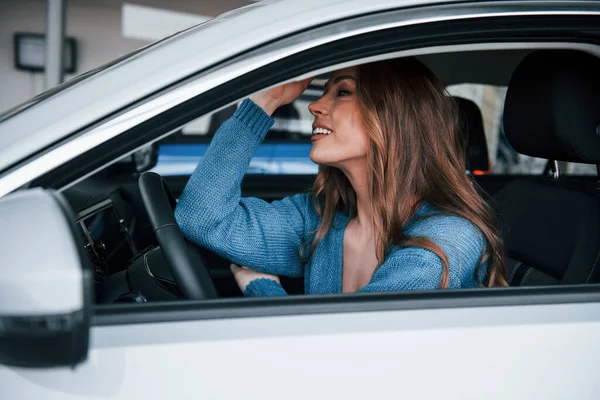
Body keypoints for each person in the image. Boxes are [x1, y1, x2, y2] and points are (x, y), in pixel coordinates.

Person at [174, 57, 506, 297]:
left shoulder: (443, 243)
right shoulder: (322, 219)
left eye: (343, 92)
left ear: (393, 116)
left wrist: (263, 290)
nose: (314, 105)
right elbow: (203, 218)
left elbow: (344, 356)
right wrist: (266, 100)